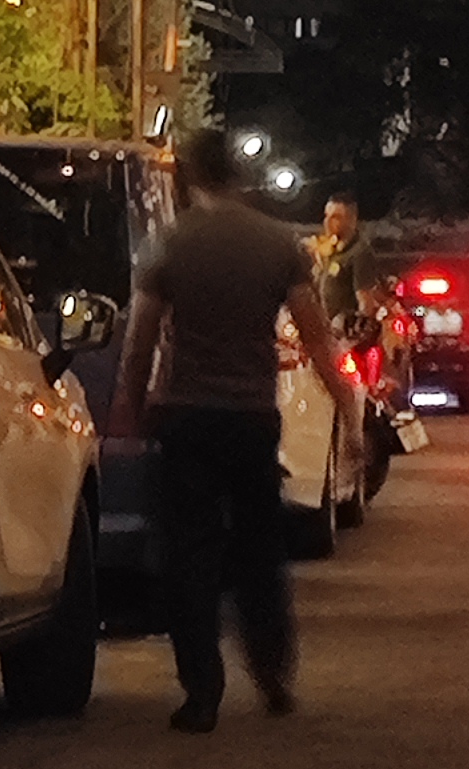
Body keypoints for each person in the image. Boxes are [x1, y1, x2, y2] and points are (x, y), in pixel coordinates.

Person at [110, 126, 361, 733]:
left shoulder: (167, 244)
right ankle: (273, 673)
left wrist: (125, 418)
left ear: (188, 176)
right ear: (236, 174)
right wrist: (349, 414)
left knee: (188, 555)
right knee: (259, 549)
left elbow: (140, 342)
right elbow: (316, 338)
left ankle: (201, 692)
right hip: (251, 417)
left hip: (185, 416)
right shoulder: (279, 246)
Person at [312, 196, 373, 340]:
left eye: (336, 217)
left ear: (351, 220)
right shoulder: (328, 250)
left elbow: (365, 301)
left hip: (343, 335)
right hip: (322, 334)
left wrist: (355, 330)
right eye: (327, 216)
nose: (327, 222)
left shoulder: (359, 253)